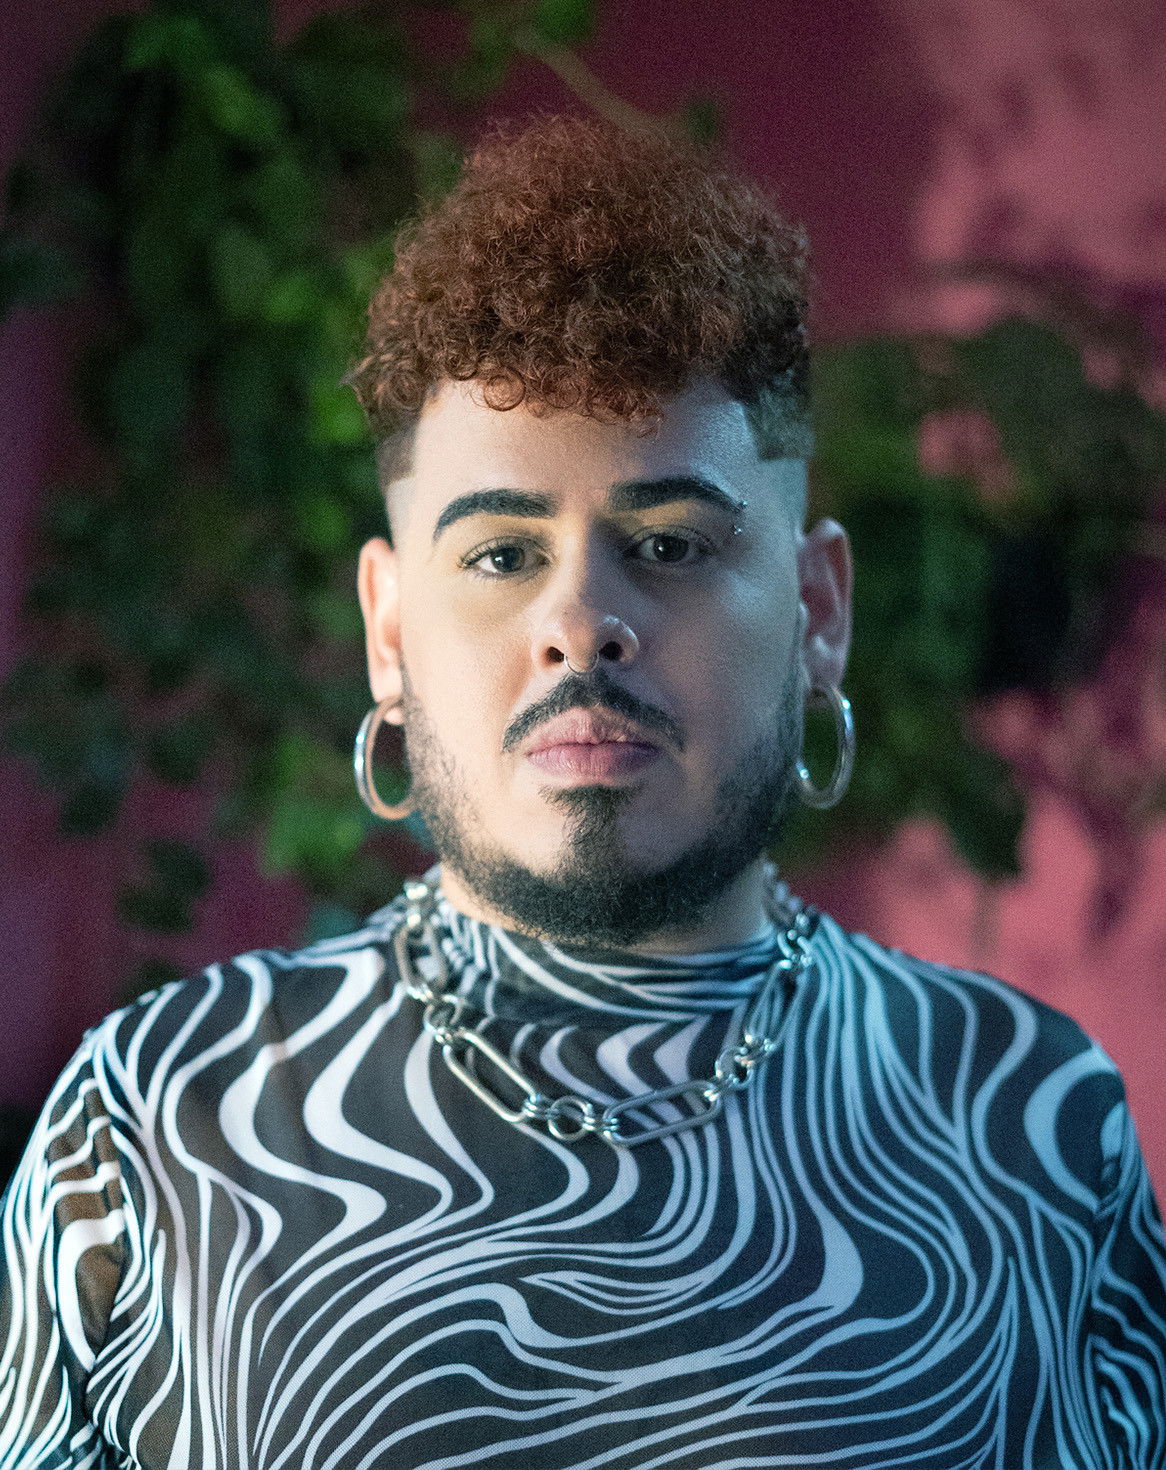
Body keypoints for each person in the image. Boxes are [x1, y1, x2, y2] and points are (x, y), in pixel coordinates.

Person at [1, 116, 1164, 1470]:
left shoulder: (1026, 1124)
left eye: (667, 545)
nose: (578, 625)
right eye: (500, 555)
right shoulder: (157, 1122)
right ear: (389, 631)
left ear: (817, 612)